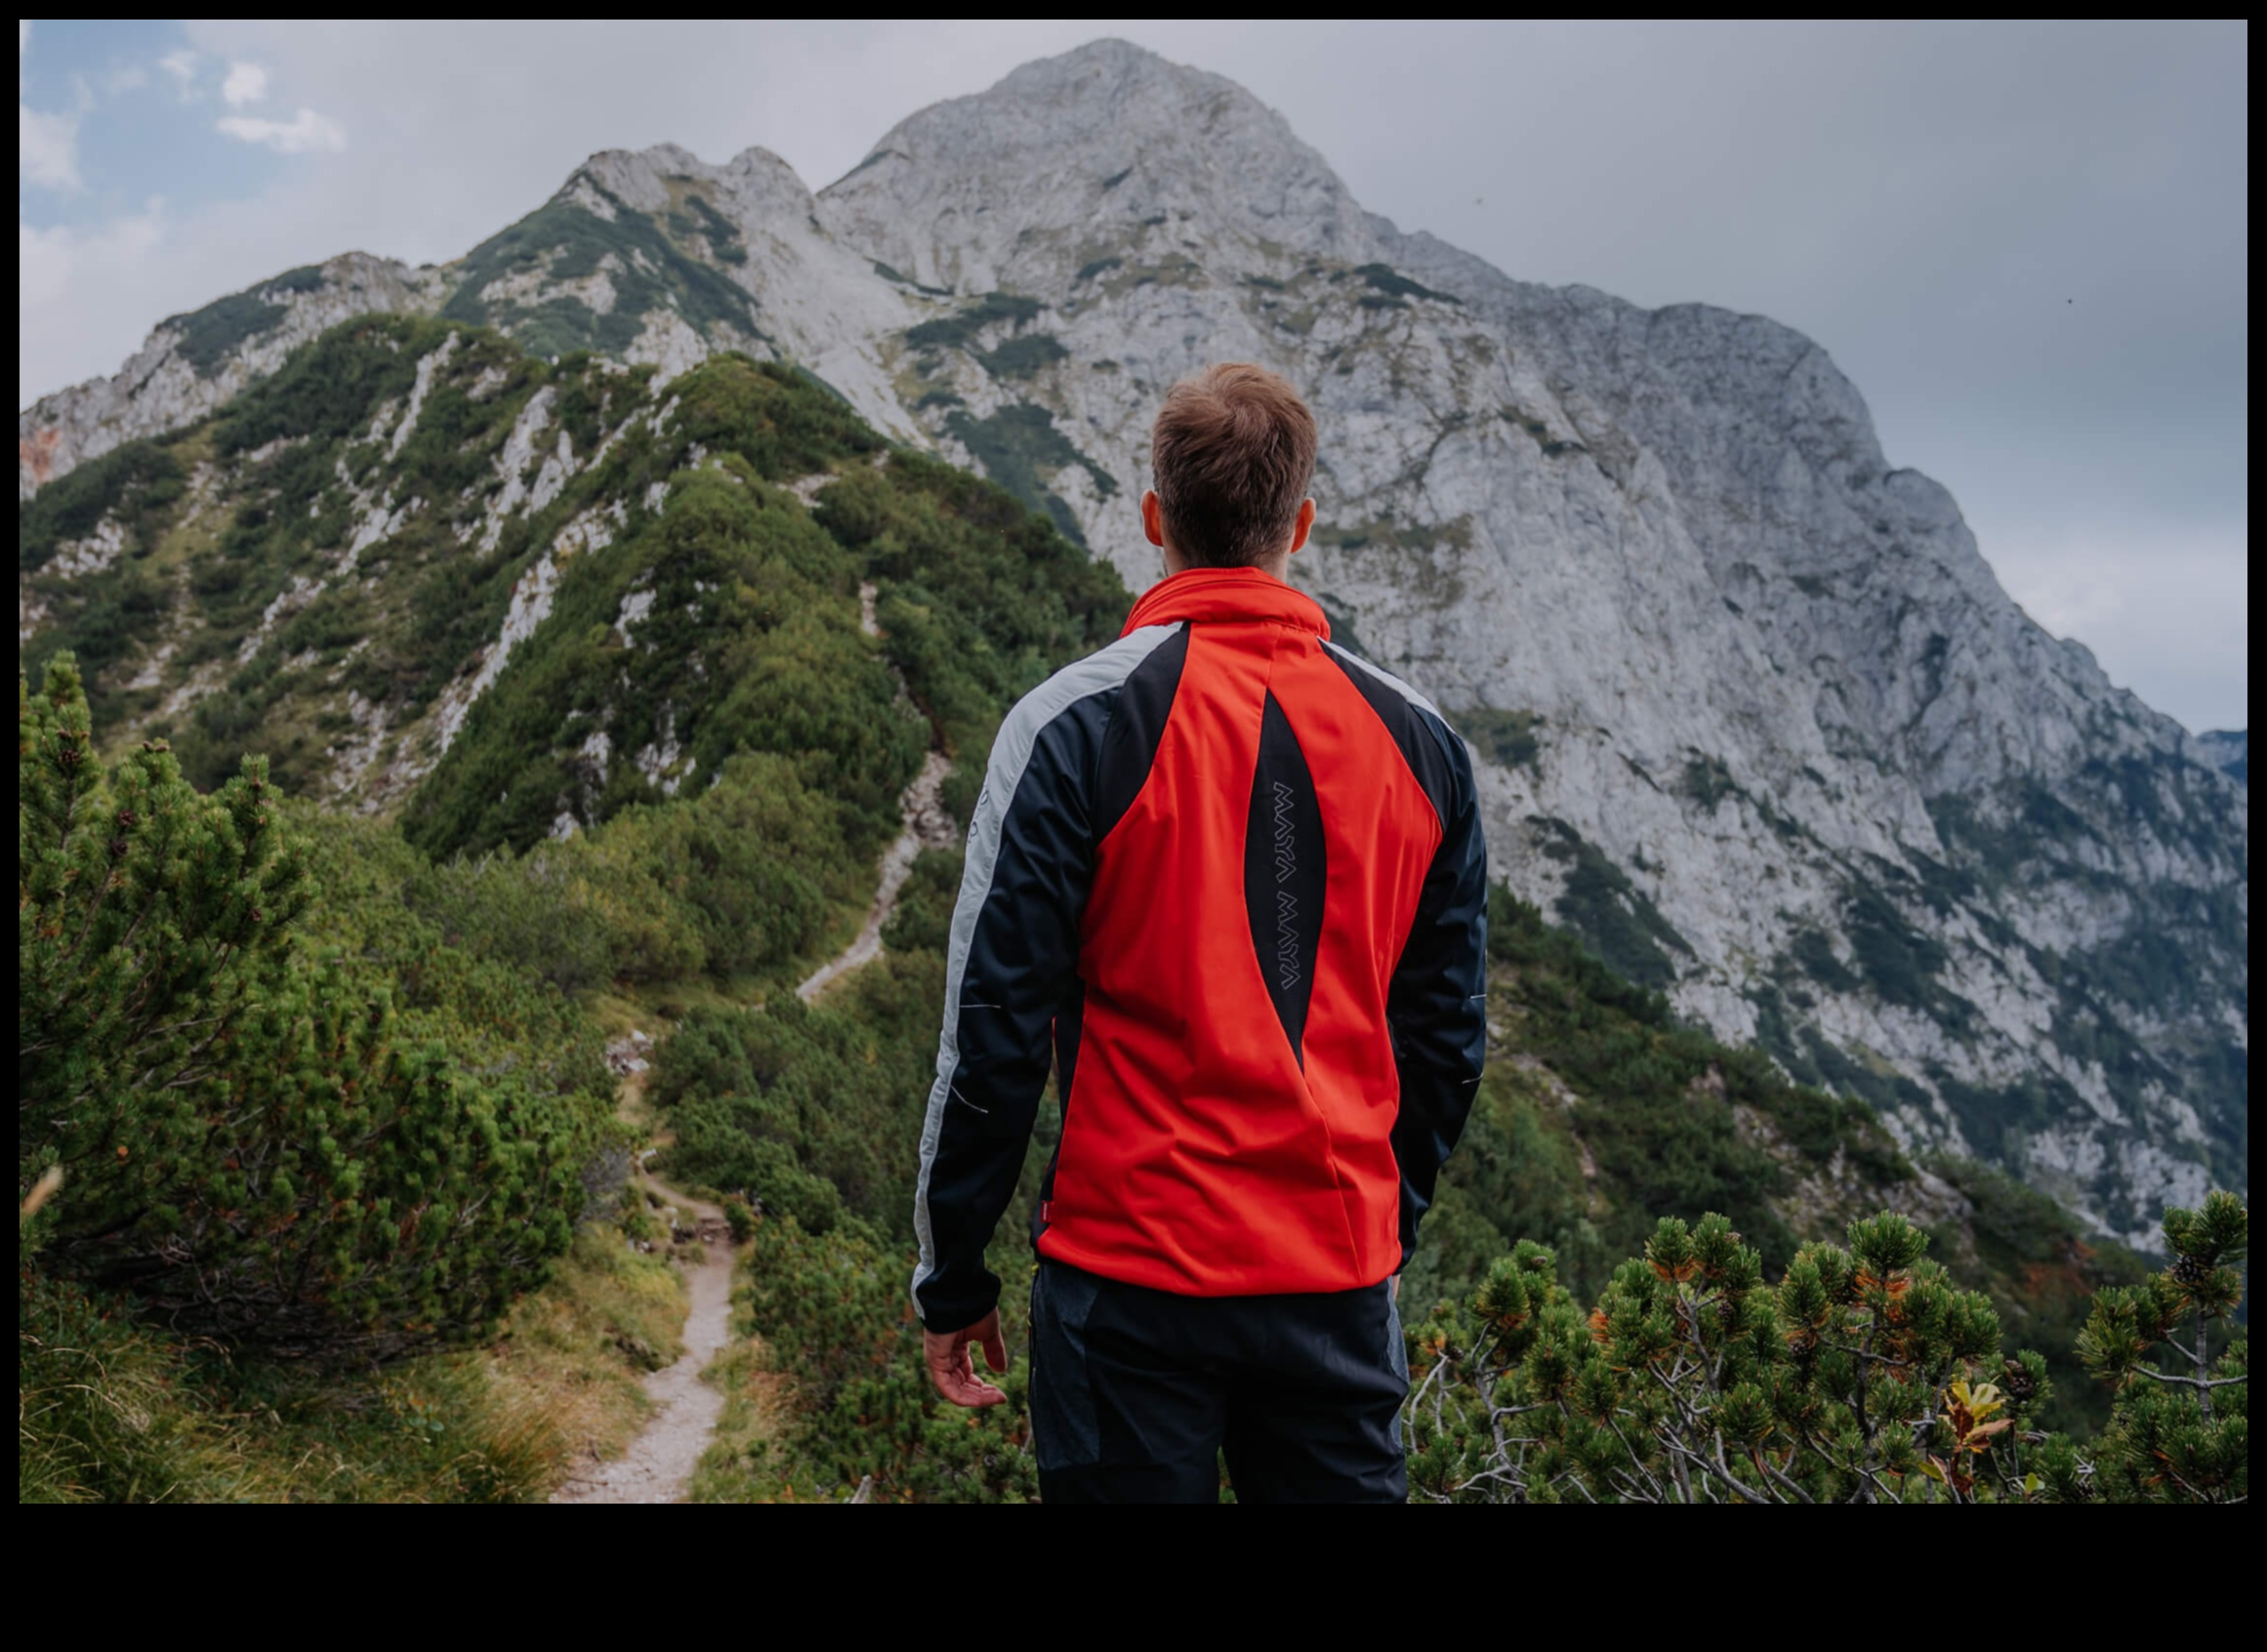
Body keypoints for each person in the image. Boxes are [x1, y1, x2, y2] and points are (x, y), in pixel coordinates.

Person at [910, 362, 1488, 1503]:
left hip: (1127, 1284)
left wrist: (954, 1274)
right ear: (1300, 526)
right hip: (1334, 1282)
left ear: (1153, 519)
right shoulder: (1424, 746)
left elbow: (993, 1029)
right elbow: (1446, 1038)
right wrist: (1384, 1229)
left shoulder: (1070, 725)